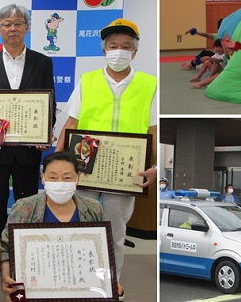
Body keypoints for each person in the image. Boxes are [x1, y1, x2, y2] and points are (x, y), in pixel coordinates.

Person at [55, 17, 157, 301]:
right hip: (85, 168)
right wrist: (57, 163)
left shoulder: (149, 84)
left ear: (134, 52)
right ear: (104, 50)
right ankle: (77, 283)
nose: (119, 51)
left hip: (124, 173)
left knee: (114, 233)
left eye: (125, 45)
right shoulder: (87, 81)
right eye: (113, 46)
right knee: (80, 227)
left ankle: (110, 285)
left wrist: (155, 167)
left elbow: (154, 130)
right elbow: (71, 123)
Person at [0, 4, 56, 241]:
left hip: (29, 147)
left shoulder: (43, 62)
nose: (12, 28)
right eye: (7, 24)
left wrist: (44, 132)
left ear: (27, 27)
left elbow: (49, 103)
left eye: (18, 23)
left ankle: (25, 249)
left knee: (27, 204)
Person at [0, 152, 105, 302]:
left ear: (77, 179)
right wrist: (6, 276)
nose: (60, 183)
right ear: (42, 177)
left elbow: (103, 252)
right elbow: (5, 248)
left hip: (82, 290)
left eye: (67, 178)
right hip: (35, 292)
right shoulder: (24, 207)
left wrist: (109, 282)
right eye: (53, 177)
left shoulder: (93, 208)